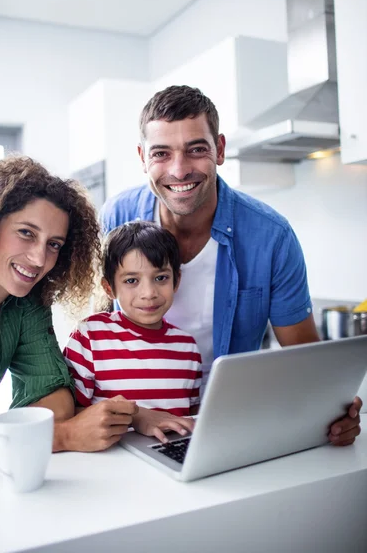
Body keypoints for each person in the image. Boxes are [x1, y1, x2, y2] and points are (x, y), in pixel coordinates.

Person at [101, 85, 362, 447]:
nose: (179, 170)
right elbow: (95, 331)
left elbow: (304, 360)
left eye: (196, 149)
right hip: (130, 426)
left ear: (219, 150)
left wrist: (334, 413)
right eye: (162, 153)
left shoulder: (271, 236)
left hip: (225, 426)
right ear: (143, 156)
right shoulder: (116, 218)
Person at [0, 156, 137, 462]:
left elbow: (57, 403)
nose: (39, 258)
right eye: (26, 233)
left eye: (54, 244)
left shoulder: (25, 304)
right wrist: (63, 436)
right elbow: (58, 424)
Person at [63, 221, 201, 443]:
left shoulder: (188, 348)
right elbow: (68, 415)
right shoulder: (89, 337)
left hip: (169, 461)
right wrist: (135, 417)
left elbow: (190, 419)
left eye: (161, 278)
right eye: (131, 281)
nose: (149, 293)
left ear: (176, 281)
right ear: (109, 288)